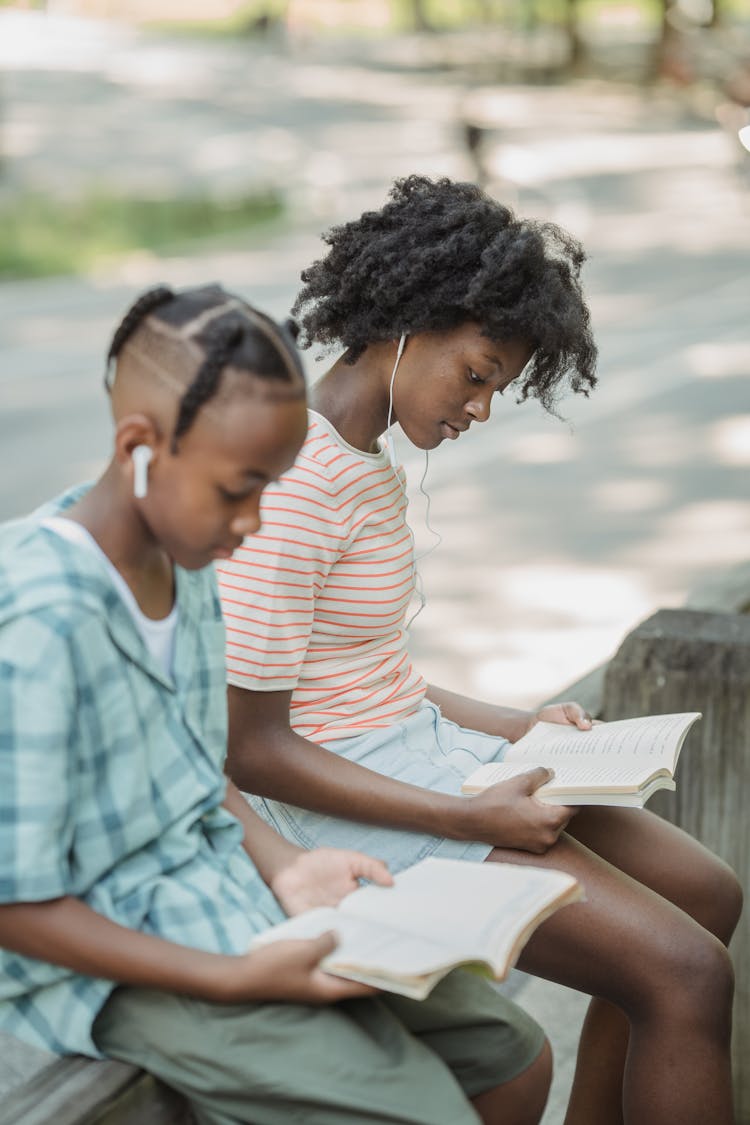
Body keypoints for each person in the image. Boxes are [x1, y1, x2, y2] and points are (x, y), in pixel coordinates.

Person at [220, 177, 743, 1125]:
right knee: (685, 973)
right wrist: (462, 819)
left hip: (419, 763)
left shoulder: (362, 459)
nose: (481, 409)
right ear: (413, 322)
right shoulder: (294, 486)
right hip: (342, 809)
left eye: (498, 386)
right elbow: (249, 748)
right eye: (477, 373)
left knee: (708, 896)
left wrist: (524, 726)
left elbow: (372, 679)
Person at [0, 283, 553, 1125]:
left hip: (228, 892)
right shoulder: (42, 623)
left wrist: (289, 865)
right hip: (121, 958)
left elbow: (195, 769)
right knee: (428, 1109)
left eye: (270, 488)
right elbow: (15, 906)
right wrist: (234, 977)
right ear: (140, 445)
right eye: (238, 490)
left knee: (511, 1054)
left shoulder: (184, 558)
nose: (255, 522)